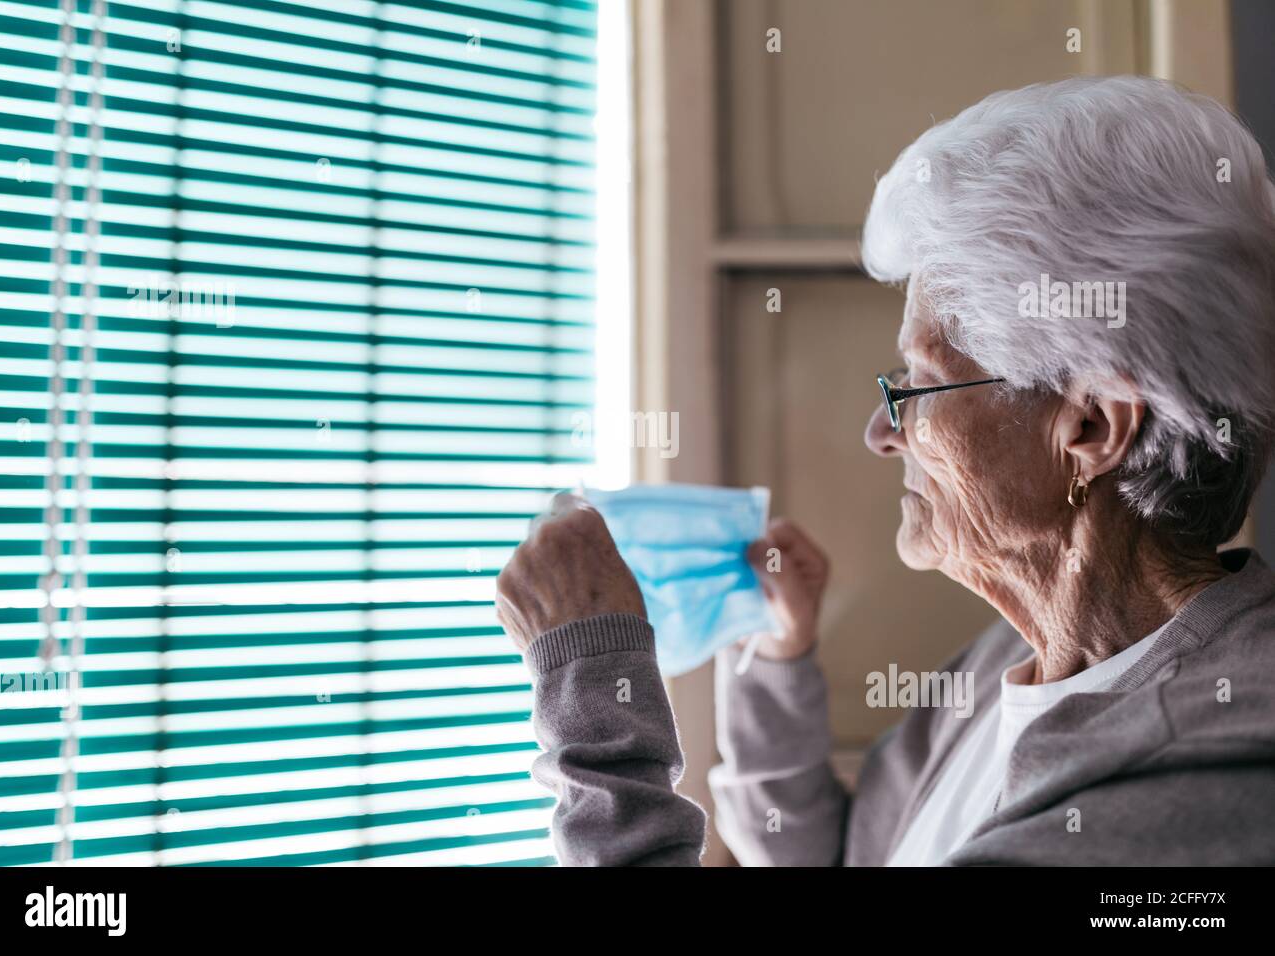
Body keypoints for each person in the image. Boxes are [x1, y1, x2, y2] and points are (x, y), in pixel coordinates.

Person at [495, 76, 1275, 866]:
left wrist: (592, 682)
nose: (881, 429)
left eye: (922, 383)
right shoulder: (1008, 661)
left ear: (1091, 427)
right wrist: (781, 654)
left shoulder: (1197, 764)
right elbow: (832, 854)